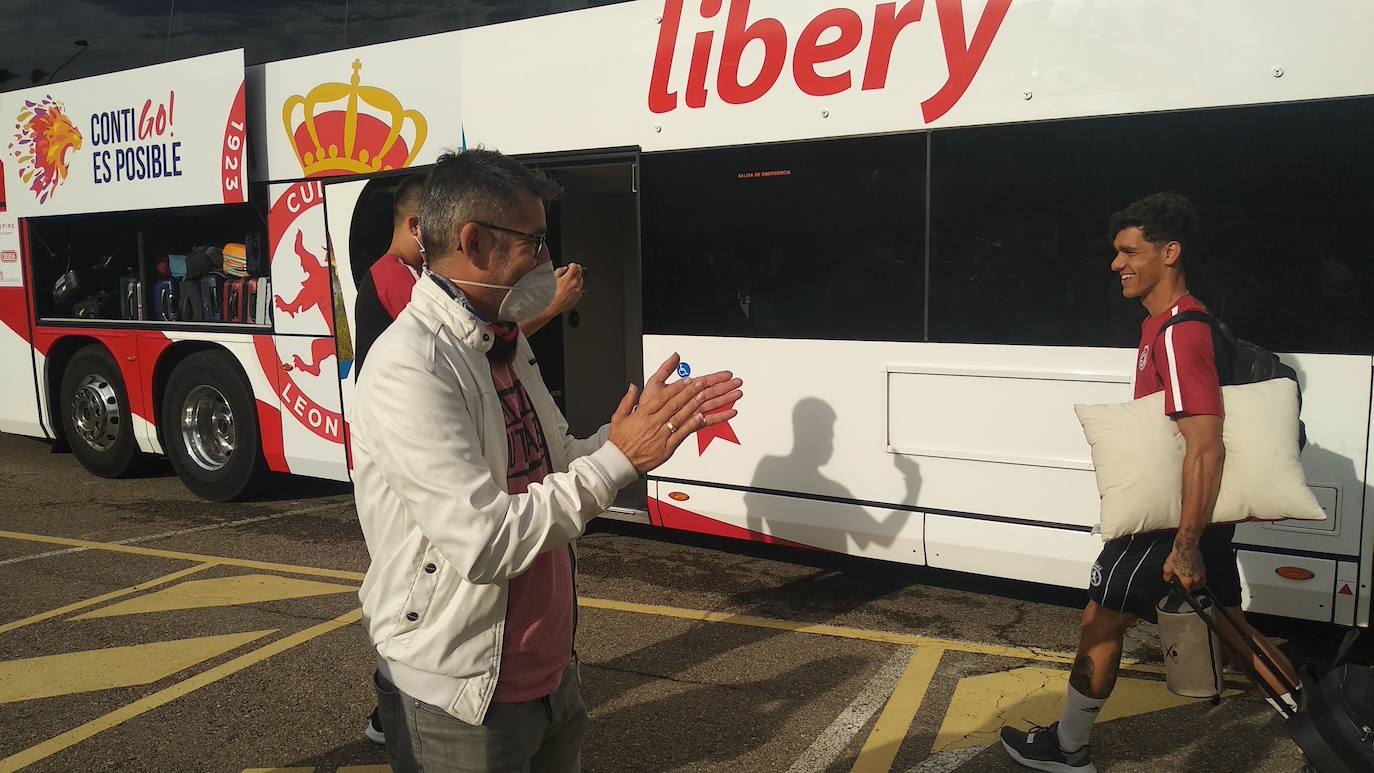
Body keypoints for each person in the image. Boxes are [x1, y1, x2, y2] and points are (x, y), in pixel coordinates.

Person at [353, 148, 743, 773]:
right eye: (533, 240)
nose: (546, 259)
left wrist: (627, 439)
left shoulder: (501, 343)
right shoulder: (411, 366)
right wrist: (615, 460)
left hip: (550, 676)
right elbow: (483, 541)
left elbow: (554, 469)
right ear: (474, 241)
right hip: (462, 696)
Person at [1000, 193, 1300, 773]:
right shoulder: (1165, 325)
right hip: (1189, 512)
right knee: (1232, 632)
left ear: (1170, 252)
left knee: (1100, 620)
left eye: (1129, 251)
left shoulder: (1179, 332)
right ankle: (1332, 732)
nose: (1117, 264)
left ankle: (1068, 749)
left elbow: (1204, 443)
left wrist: (1186, 544)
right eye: (1117, 253)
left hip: (1169, 521)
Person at [353, 173, 585, 381]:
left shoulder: (401, 273)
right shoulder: (396, 277)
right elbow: (469, 348)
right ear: (415, 226)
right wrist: (549, 306)